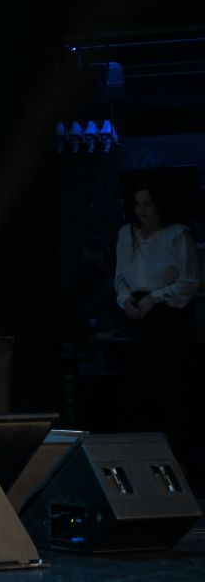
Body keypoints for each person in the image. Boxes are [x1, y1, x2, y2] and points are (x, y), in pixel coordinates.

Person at [114, 181, 200, 459]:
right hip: (138, 312)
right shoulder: (126, 234)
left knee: (172, 385)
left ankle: (178, 455)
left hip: (169, 313)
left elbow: (191, 280)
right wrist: (125, 300)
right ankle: (145, 455)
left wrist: (156, 297)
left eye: (148, 204)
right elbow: (120, 277)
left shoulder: (177, 235)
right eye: (138, 204)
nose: (142, 210)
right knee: (140, 387)